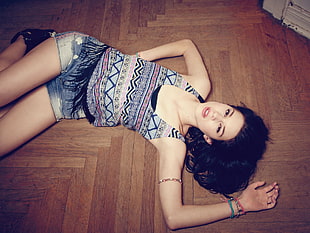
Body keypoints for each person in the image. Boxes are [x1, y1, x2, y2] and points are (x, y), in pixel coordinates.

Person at [0, 29, 279, 230]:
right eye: (228, 112)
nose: (216, 114)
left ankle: (27, 40)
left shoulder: (172, 143)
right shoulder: (198, 86)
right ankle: (38, 44)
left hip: (69, 100)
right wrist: (139, 57)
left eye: (219, 127)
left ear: (209, 138)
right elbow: (186, 45)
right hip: (78, 54)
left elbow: (174, 218)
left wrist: (239, 206)